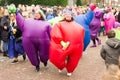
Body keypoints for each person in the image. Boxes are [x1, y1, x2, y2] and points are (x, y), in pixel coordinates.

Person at [50, 10, 84, 76]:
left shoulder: (78, 26)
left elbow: (81, 34)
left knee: (74, 59)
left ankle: (70, 70)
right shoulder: (59, 24)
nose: (68, 15)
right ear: (64, 16)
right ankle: (60, 66)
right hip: (63, 45)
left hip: (75, 46)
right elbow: (55, 33)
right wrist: (61, 42)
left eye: (69, 14)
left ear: (72, 15)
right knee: (58, 57)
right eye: (66, 14)